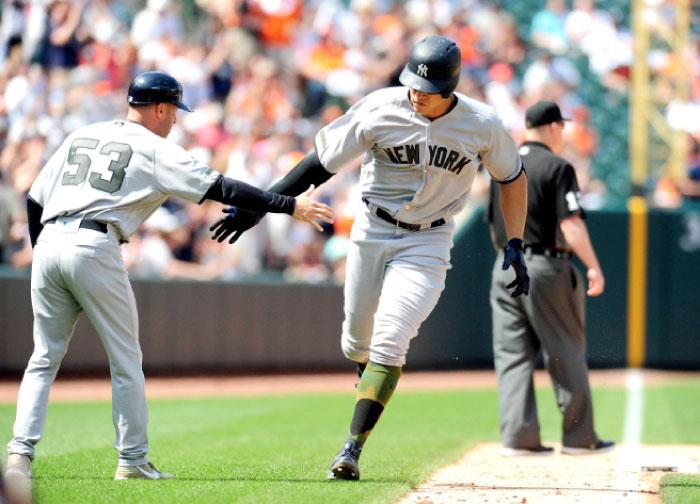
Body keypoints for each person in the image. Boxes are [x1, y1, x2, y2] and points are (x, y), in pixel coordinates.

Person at [210, 35, 529, 480]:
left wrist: (515, 241)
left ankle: (351, 449)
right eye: (411, 82)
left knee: (391, 337)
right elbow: (319, 163)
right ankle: (373, 373)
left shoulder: (482, 123)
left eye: (426, 86)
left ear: (449, 87)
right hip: (371, 227)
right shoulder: (381, 106)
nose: (415, 92)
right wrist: (261, 206)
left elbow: (512, 177)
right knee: (354, 341)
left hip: (430, 240)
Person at [4, 71, 334, 482]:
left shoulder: (82, 134)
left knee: (43, 357)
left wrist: (43, 252)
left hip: (51, 239)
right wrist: (288, 204)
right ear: (159, 107)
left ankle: (19, 456)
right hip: (95, 243)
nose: (176, 119)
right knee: (125, 359)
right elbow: (223, 188)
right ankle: (133, 459)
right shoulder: (155, 149)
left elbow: (34, 198)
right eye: (174, 110)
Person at [487, 100, 614, 456]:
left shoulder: (503, 165)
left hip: (505, 265)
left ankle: (519, 439)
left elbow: (493, 223)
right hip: (545, 266)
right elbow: (570, 223)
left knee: (512, 355)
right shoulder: (558, 166)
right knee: (565, 350)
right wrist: (593, 265)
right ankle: (580, 438)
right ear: (556, 127)